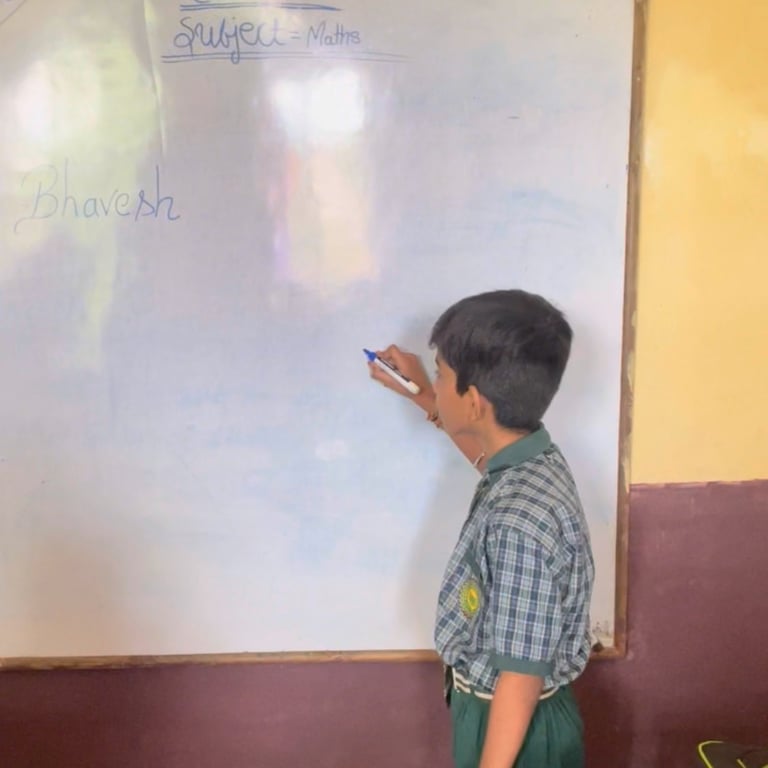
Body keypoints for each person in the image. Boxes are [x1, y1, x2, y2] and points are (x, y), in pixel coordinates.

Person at [368, 289, 594, 768]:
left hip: (513, 727)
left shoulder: (518, 524)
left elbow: (520, 675)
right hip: (505, 714)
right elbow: (485, 461)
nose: (435, 382)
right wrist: (424, 395)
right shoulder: (533, 462)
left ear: (473, 403)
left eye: (440, 375)